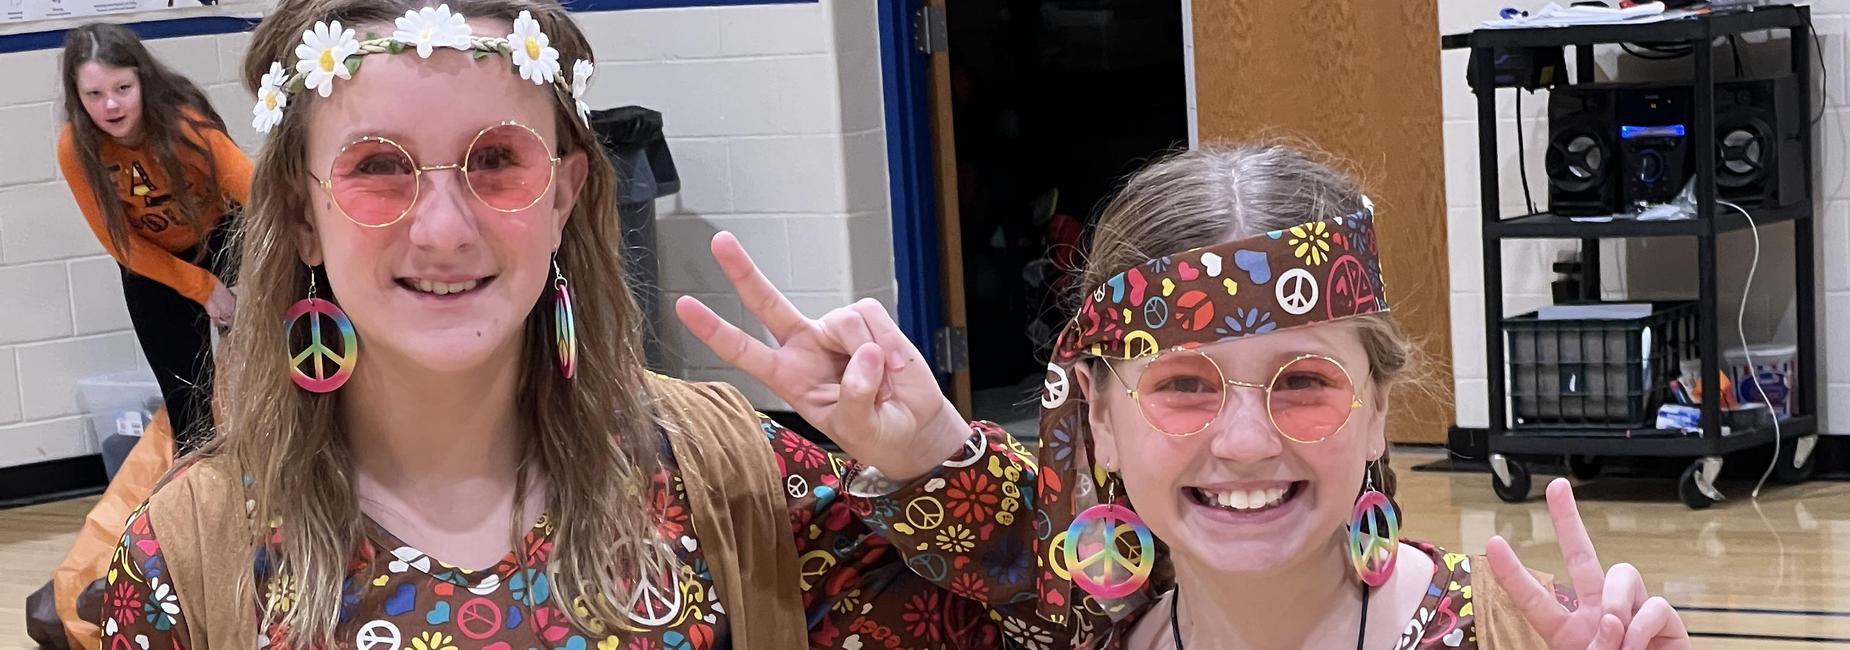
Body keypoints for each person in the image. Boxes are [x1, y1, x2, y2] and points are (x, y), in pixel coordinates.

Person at [100, 1, 1041, 648]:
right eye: (378, 166)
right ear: (302, 214)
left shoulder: (724, 481)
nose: (443, 228)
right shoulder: (188, 556)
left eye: (496, 161)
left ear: (564, 194)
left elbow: (1065, 616)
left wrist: (939, 463)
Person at [1031, 143, 1693, 649]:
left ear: (1376, 408)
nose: (1246, 443)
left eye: (1303, 381)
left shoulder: (1524, 635)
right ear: (1101, 417)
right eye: (1183, 385)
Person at [57, 23, 251, 453]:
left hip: (221, 237)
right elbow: (122, 245)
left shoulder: (184, 124)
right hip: (151, 262)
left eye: (122, 88)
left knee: (256, 369)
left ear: (142, 80)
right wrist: (203, 288)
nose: (111, 105)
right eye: (94, 94)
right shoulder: (76, 147)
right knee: (187, 400)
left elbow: (252, 191)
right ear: (77, 96)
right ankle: (200, 484)